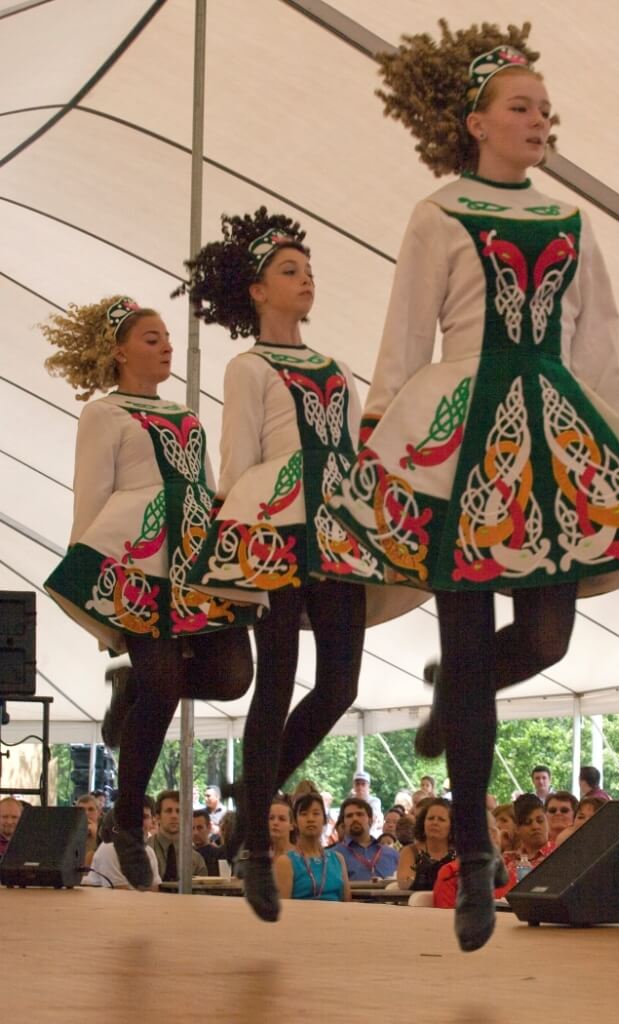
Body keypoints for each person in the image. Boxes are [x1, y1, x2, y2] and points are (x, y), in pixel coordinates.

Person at [327, 21, 619, 951]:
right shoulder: (435, 213)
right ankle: (477, 857)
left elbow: (598, 342)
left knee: (549, 635)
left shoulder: (570, 221)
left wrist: (616, 436)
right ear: (477, 121)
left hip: (552, 434)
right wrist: (377, 439)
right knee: (467, 625)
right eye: (521, 106)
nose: (538, 118)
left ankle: (457, 692)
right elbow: (405, 336)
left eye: (541, 108)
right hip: (458, 433)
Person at [175, 209, 423, 922]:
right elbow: (238, 463)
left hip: (338, 529)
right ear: (255, 291)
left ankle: (253, 798)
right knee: (276, 678)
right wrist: (234, 551)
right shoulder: (246, 366)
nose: (305, 277)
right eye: (289, 270)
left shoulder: (334, 370)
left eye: (307, 269)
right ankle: (256, 851)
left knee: (341, 684)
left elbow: (350, 453)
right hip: (274, 529)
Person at [40, 296, 263, 889]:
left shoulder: (188, 417)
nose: (167, 344)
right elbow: (91, 495)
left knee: (235, 675)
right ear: (118, 351)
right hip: (137, 561)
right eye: (152, 337)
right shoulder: (102, 414)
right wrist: (95, 586)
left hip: (194, 558)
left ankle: (132, 685)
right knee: (165, 685)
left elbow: (209, 488)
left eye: (167, 336)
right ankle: (125, 824)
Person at [274, 794, 350, 902]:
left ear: (324, 820)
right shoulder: (286, 862)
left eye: (316, 813)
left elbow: (347, 902)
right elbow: (283, 909)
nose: (310, 819)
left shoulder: (338, 859)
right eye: (304, 814)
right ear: (295, 822)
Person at [83, 800, 160, 889]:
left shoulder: (149, 852)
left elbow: (154, 890)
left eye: (144, 817)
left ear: (152, 821)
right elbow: (120, 893)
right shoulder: (110, 847)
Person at [397, 798, 456, 891]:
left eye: (441, 819)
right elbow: (404, 884)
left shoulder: (460, 854)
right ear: (423, 823)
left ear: (452, 826)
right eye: (430, 818)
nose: (435, 822)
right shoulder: (410, 852)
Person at [333, 797, 399, 881]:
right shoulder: (333, 856)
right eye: (349, 816)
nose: (355, 818)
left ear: (371, 820)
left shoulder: (392, 854)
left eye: (360, 814)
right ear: (343, 823)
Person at [149, 790, 207, 882]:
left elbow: (202, 893)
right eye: (168, 811)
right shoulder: (145, 851)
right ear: (158, 817)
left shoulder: (196, 859)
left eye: (178, 811)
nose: (174, 816)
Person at [192, 808, 221, 876]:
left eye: (200, 828)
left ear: (209, 827)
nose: (195, 832)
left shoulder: (219, 855)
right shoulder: (185, 855)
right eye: (192, 828)